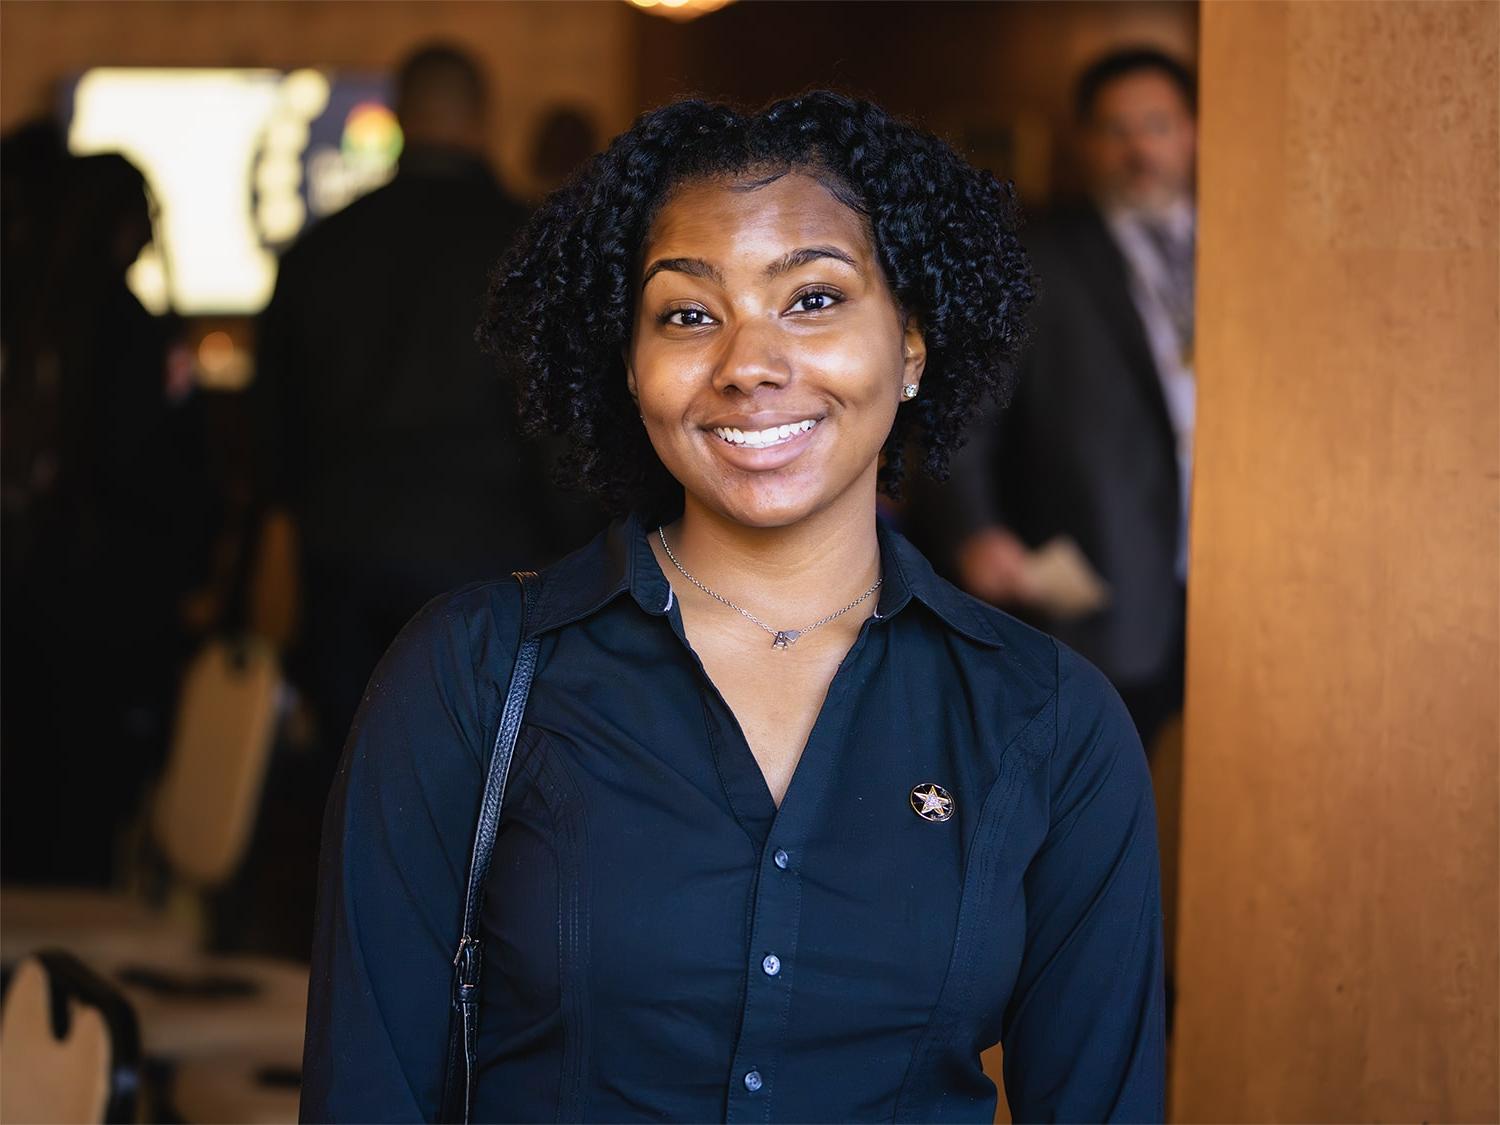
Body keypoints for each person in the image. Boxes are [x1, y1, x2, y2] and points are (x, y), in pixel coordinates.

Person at [302, 91, 1165, 1123]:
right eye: (688, 314)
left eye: (813, 300)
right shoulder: (472, 677)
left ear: (914, 345)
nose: (748, 365)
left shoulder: (1049, 721)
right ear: (628, 365)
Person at [935, 47, 1197, 749]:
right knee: (1096, 784)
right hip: (1100, 577)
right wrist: (976, 528)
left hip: (1243, 572)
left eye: (1157, 125)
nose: (1139, 147)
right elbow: (966, 411)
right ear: (1085, 141)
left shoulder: (1245, 249)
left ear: (1194, 131)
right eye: (1116, 129)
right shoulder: (1038, 258)